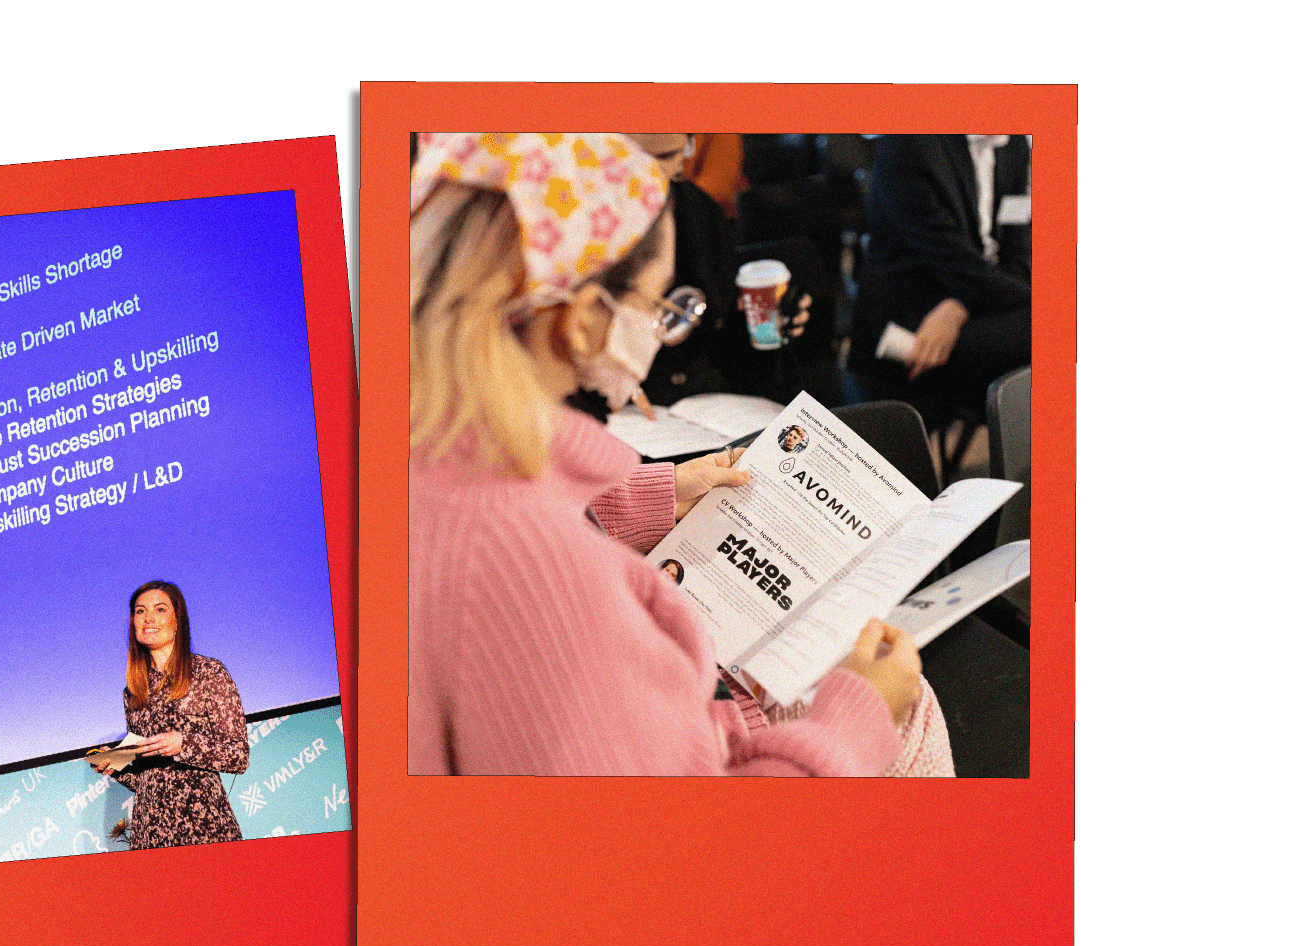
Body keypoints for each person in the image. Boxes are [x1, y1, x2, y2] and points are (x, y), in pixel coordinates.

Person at [406, 131, 949, 777]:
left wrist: (654, 493)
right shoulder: (539, 568)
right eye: (654, 304)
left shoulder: (412, 447)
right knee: (909, 703)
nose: (662, 327)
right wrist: (858, 713)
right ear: (580, 320)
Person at [856, 134, 1031, 427]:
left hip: (973, 304)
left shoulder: (1012, 144)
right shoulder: (909, 142)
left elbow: (1019, 247)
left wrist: (959, 307)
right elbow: (949, 260)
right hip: (914, 319)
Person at [88, 580, 247, 848]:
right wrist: (115, 765)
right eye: (140, 611)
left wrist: (183, 744)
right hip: (150, 831)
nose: (148, 618)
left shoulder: (209, 673)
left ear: (177, 621)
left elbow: (238, 756)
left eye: (160, 609)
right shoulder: (133, 691)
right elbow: (148, 779)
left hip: (203, 825)